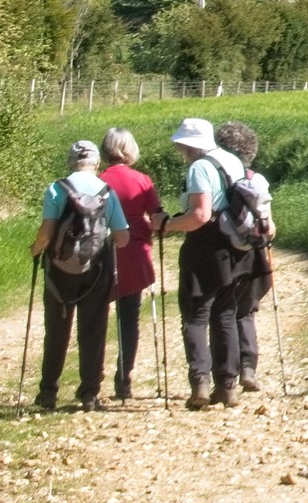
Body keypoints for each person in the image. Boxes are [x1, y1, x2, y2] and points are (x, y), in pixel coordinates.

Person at [31, 139, 131, 412]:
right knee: (93, 330)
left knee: (56, 331)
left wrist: (35, 250)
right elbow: (123, 238)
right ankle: (89, 394)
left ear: (70, 162)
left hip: (60, 270)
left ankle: (48, 392)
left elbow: (47, 231)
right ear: (97, 164)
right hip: (97, 269)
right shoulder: (107, 191)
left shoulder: (56, 188)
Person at [161, 116, 250, 409]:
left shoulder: (199, 167)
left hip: (205, 246)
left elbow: (200, 214)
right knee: (225, 314)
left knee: (196, 315)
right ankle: (228, 386)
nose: (180, 151)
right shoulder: (232, 161)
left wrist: (167, 226)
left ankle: (200, 383)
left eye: (182, 145)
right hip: (234, 246)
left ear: (190, 144)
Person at [97, 128, 164, 403]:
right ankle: (123, 379)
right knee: (129, 318)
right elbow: (157, 216)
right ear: (130, 150)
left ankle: (91, 378)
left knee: (96, 317)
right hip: (134, 254)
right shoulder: (142, 181)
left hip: (101, 254)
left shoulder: (97, 180)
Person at [216, 122, 280, 392]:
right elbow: (271, 229)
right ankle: (248, 368)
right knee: (247, 311)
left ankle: (225, 372)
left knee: (223, 312)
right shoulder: (258, 180)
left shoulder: (215, 178)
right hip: (253, 254)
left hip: (221, 251)